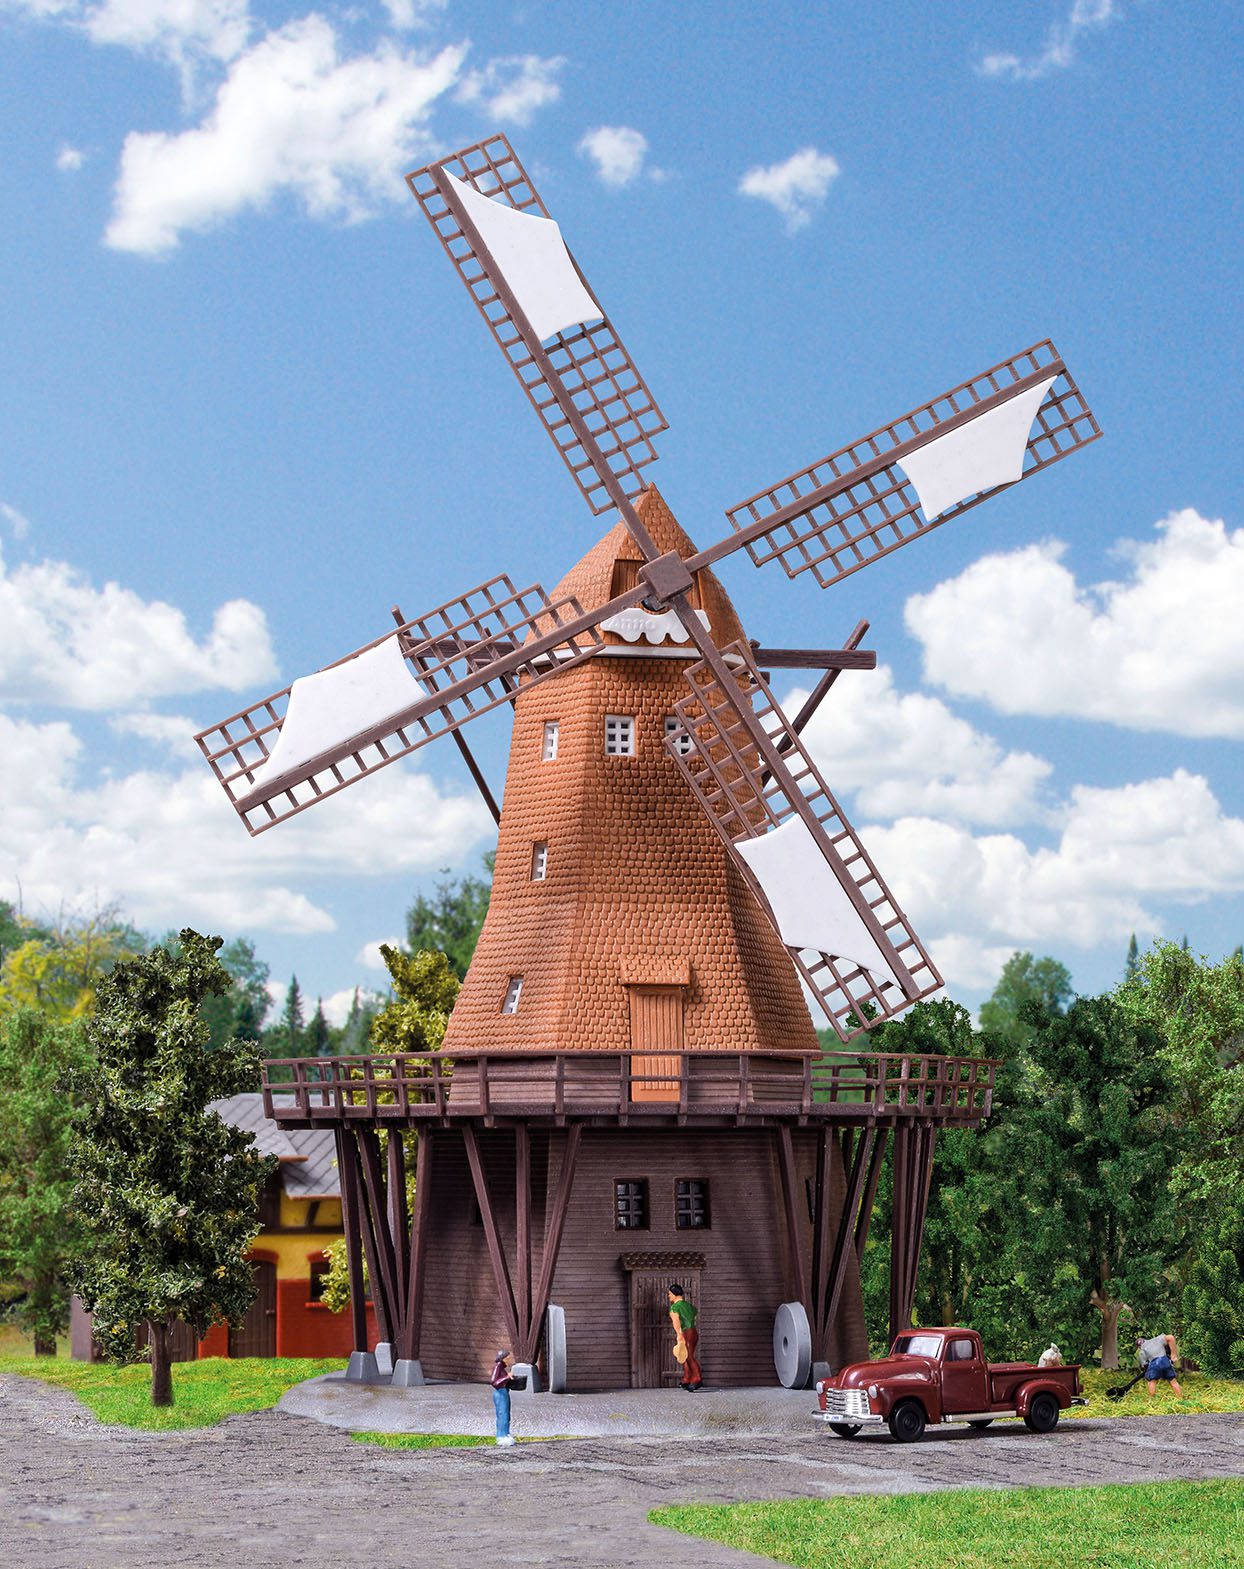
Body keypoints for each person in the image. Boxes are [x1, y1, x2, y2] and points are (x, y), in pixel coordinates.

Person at [667, 1285, 702, 1391]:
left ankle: (697, 1378)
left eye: (669, 1294)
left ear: (674, 1294)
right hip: (693, 1332)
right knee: (685, 1356)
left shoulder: (675, 1307)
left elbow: (676, 1323)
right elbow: (694, 1317)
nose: (669, 1296)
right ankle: (687, 1378)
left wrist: (679, 1335)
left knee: (688, 1356)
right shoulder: (689, 1306)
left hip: (685, 1333)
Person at [1137, 1332, 1184, 1399]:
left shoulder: (1142, 1350)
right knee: (1173, 1381)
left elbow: (1144, 1364)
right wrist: (1173, 1355)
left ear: (1139, 1346)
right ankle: (1180, 1398)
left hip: (1154, 1364)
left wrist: (1145, 1369)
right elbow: (1171, 1337)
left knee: (1152, 1381)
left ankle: (1151, 1399)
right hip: (1165, 1361)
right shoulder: (1157, 1339)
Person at [491, 1348, 517, 1445]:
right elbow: (494, 1382)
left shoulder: (502, 1368)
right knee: (502, 1415)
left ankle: (506, 1433)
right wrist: (507, 1377)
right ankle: (501, 1436)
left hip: (504, 1391)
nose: (509, 1359)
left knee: (506, 1414)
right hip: (500, 1393)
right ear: (504, 1358)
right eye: (508, 1357)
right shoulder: (498, 1367)